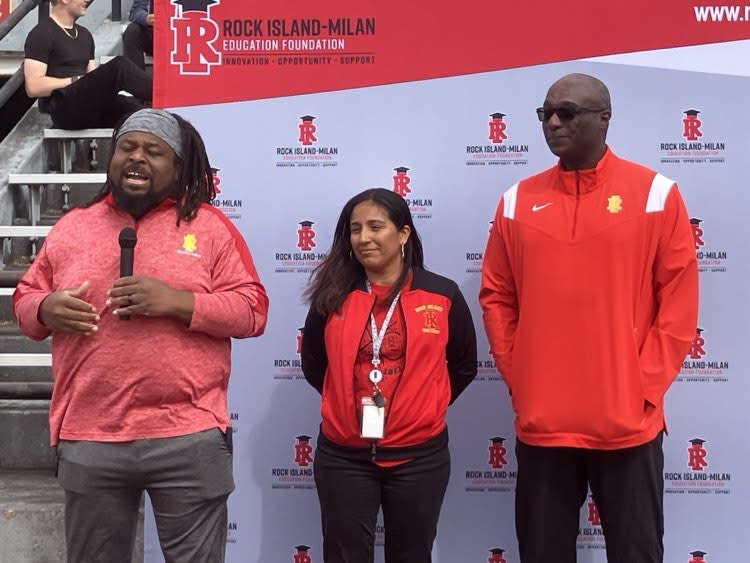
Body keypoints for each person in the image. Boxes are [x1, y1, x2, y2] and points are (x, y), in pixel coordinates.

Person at [13, 108, 269, 562]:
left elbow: (252, 310)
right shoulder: (73, 226)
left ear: (178, 167)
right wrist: (46, 308)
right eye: (128, 147)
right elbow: (27, 298)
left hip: (187, 434)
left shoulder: (210, 228)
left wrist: (177, 302)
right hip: (91, 434)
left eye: (155, 151)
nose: (137, 158)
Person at [479, 73, 698, 563]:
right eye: (545, 114)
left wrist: (641, 389)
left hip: (627, 424)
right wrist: (522, 377)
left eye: (568, 112)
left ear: (604, 118)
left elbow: (679, 306)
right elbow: (497, 296)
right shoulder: (516, 202)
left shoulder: (655, 194)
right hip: (544, 424)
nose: (554, 123)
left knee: (637, 553)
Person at [301, 187, 477, 563]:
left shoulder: (441, 294)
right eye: (355, 229)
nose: (363, 238)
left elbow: (464, 364)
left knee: (413, 555)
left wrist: (425, 404)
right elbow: (314, 363)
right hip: (343, 457)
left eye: (376, 227)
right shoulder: (332, 296)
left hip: (420, 458)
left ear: (403, 234)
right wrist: (344, 404)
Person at [23, 0, 152, 129]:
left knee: (144, 113)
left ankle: (167, 113)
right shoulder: (41, 33)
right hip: (63, 108)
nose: (87, 0)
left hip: (89, 106)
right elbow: (33, 87)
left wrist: (90, 81)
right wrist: (77, 80)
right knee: (119, 66)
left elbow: (93, 79)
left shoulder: (85, 34)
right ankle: (166, 93)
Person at [122, 0, 153, 71]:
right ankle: (136, 79)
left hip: (181, 37)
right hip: (156, 34)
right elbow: (135, 11)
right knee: (132, 30)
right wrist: (146, 18)